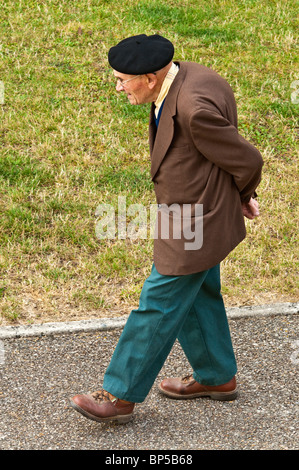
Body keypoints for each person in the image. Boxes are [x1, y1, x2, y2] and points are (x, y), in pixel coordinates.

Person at [70, 34, 263, 424]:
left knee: (157, 303)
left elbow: (246, 158)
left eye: (124, 79)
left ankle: (119, 395)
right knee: (199, 292)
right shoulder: (193, 76)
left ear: (152, 78)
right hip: (190, 212)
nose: (118, 86)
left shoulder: (193, 108)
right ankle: (217, 377)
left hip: (196, 223)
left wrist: (243, 195)